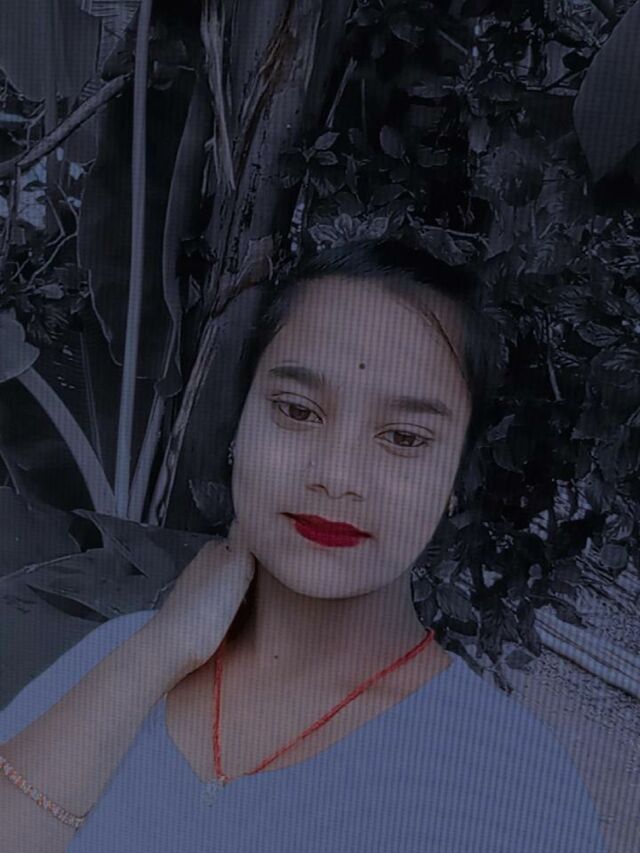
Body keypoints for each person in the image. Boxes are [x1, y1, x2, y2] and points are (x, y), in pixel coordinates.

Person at [0, 241, 607, 852]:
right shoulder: (121, 656)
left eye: (403, 437)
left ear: (456, 479)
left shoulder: (514, 790)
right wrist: (162, 650)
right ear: (239, 424)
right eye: (297, 410)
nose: (337, 477)